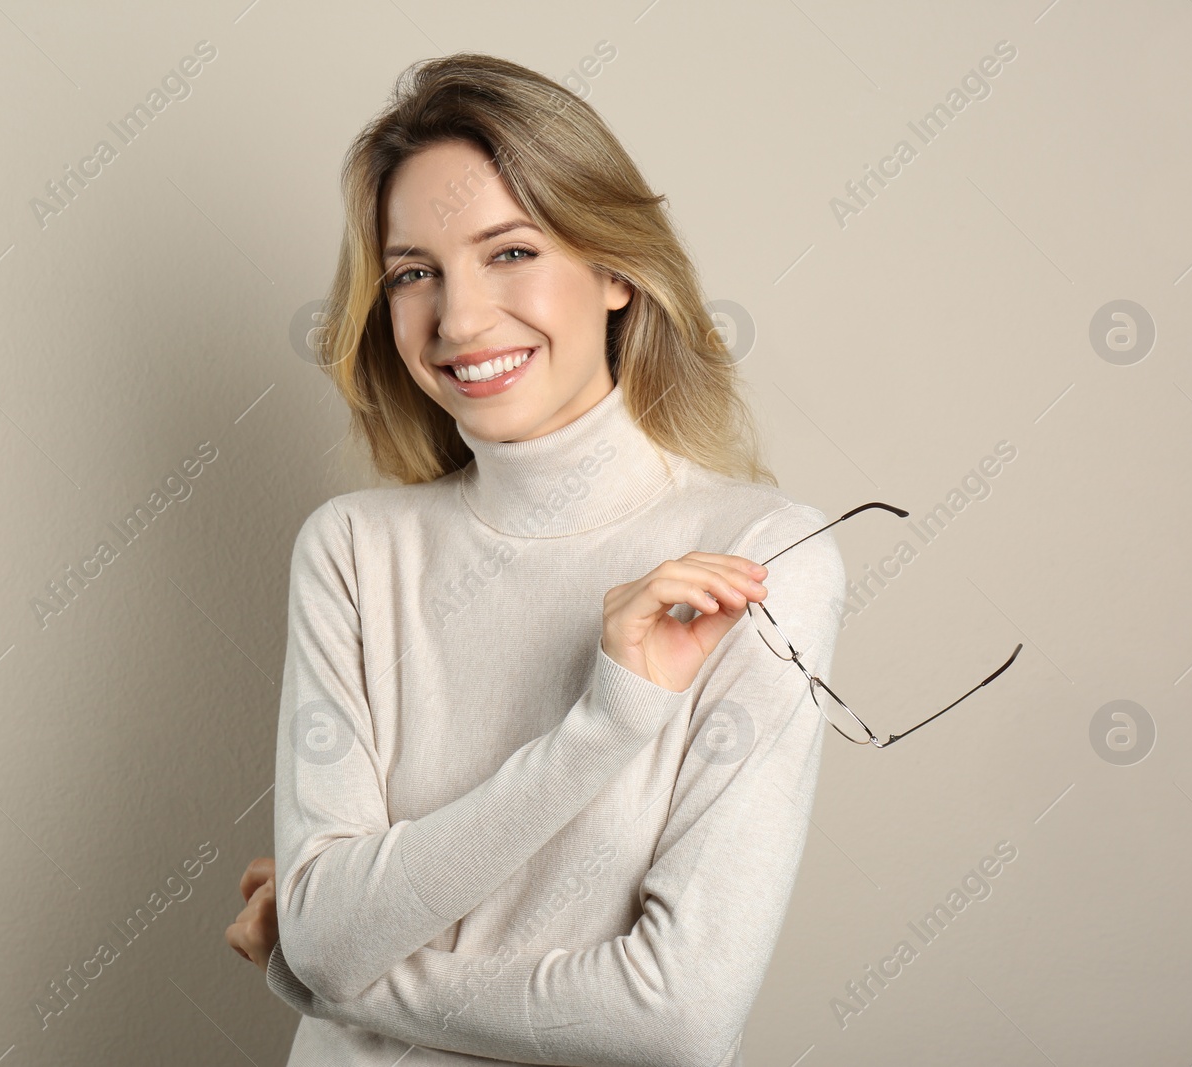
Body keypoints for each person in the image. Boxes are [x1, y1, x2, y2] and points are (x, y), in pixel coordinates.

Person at [225, 51, 845, 1066]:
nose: (458, 319)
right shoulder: (351, 550)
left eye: (508, 251)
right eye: (413, 272)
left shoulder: (760, 556)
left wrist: (316, 968)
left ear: (613, 268)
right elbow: (326, 933)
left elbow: (676, 1017)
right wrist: (600, 730)